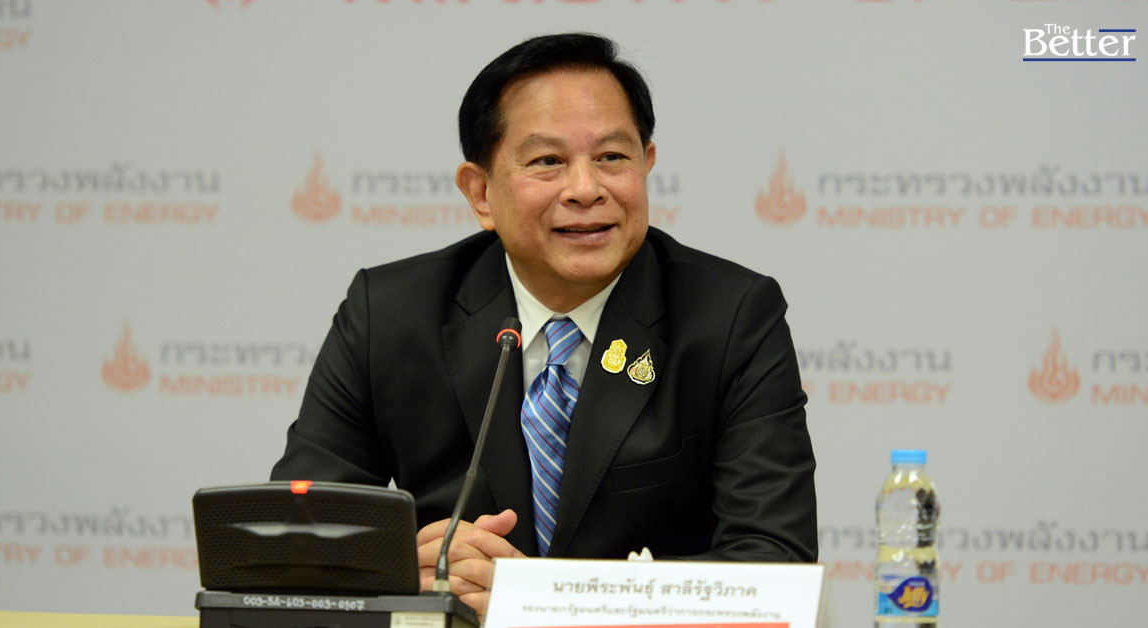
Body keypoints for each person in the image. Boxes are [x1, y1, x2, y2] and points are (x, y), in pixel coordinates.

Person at [271, 33, 817, 619]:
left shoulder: (731, 316)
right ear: (481, 193)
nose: (586, 190)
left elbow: (775, 561)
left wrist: (547, 604)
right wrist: (400, 567)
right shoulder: (391, 313)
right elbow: (290, 543)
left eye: (612, 157)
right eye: (548, 162)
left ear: (647, 165)